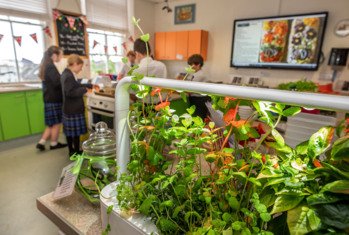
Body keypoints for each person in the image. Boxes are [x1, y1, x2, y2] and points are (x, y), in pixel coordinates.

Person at [36, 46, 67, 151]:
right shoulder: (50, 67)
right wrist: (65, 79)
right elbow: (57, 83)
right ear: (54, 55)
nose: (61, 57)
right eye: (61, 55)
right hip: (54, 99)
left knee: (51, 124)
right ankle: (54, 144)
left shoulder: (46, 65)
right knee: (57, 123)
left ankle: (42, 142)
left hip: (49, 99)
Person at [61, 54, 92, 156]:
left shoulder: (67, 73)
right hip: (73, 108)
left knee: (70, 133)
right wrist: (84, 89)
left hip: (68, 108)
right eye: (80, 66)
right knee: (74, 133)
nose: (81, 69)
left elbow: (75, 85)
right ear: (74, 64)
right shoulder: (68, 76)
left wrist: (87, 85)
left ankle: (72, 151)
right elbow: (69, 92)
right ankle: (76, 151)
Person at [187, 54, 210, 119]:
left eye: (192, 64)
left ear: (198, 64)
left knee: (198, 120)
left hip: (199, 100)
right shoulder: (197, 73)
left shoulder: (200, 75)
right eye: (190, 65)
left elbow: (190, 90)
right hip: (198, 100)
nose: (191, 67)